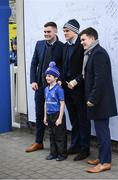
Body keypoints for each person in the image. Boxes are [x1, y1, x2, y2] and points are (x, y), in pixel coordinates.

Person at [80, 27, 118, 173]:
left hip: (100, 102)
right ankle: (102, 157)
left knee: (103, 133)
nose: (82, 42)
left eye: (83, 39)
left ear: (93, 38)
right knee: (100, 131)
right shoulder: (93, 53)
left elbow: (100, 79)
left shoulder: (98, 53)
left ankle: (105, 162)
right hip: (98, 102)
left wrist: (92, 99)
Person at [25, 22, 64, 152]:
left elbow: (64, 67)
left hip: (54, 89)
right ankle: (38, 142)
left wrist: (60, 80)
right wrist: (33, 81)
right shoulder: (39, 44)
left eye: (49, 32)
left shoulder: (62, 47)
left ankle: (58, 146)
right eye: (45, 32)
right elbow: (33, 64)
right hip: (40, 86)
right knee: (39, 114)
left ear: (55, 32)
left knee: (55, 115)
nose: (46, 34)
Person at [62, 19, 91, 161]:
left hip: (79, 90)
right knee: (73, 119)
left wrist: (76, 81)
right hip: (67, 89)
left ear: (74, 31)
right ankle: (75, 145)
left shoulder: (82, 46)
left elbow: (86, 68)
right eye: (64, 31)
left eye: (66, 31)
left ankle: (85, 149)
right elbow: (64, 66)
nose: (64, 33)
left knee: (83, 119)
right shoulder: (65, 47)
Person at [44, 61, 67, 161]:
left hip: (57, 114)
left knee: (60, 136)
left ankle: (62, 154)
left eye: (50, 76)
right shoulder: (46, 89)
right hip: (49, 115)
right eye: (47, 76)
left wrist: (60, 118)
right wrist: (45, 116)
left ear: (56, 77)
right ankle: (53, 153)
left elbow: (62, 104)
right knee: (52, 135)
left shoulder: (59, 89)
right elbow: (45, 102)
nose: (47, 78)